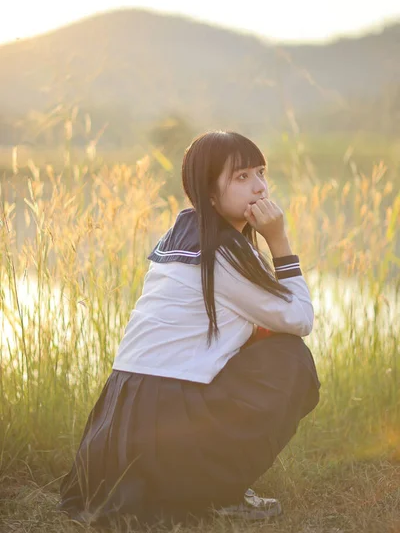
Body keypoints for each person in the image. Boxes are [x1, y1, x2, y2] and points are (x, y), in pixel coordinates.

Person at [57, 131, 320, 528]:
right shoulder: (220, 252)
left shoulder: (185, 232)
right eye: (241, 176)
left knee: (265, 345)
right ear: (209, 193)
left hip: (120, 423)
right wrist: (280, 243)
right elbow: (300, 319)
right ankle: (216, 492)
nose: (260, 187)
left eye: (261, 172)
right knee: (290, 359)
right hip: (162, 422)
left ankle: (204, 484)